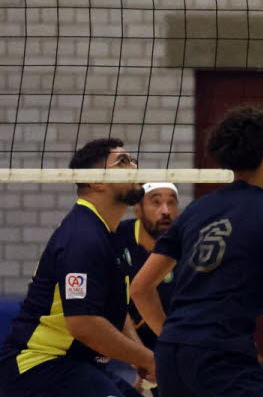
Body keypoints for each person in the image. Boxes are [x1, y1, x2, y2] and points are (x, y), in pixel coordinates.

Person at [131, 105, 263, 397]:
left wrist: (173, 336)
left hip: (171, 355)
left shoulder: (196, 209)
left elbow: (140, 288)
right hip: (222, 357)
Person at [0, 139, 154, 397]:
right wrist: (149, 358)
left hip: (79, 367)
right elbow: (84, 324)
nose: (135, 167)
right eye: (123, 162)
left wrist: (138, 356)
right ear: (96, 181)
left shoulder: (107, 234)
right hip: (39, 366)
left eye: (133, 160)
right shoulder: (83, 236)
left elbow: (112, 313)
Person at [114, 182, 180, 395]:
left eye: (171, 203)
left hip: (169, 339)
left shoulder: (187, 242)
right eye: (156, 202)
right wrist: (141, 358)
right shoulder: (117, 237)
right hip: (118, 337)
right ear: (138, 209)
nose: (165, 211)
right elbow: (113, 306)